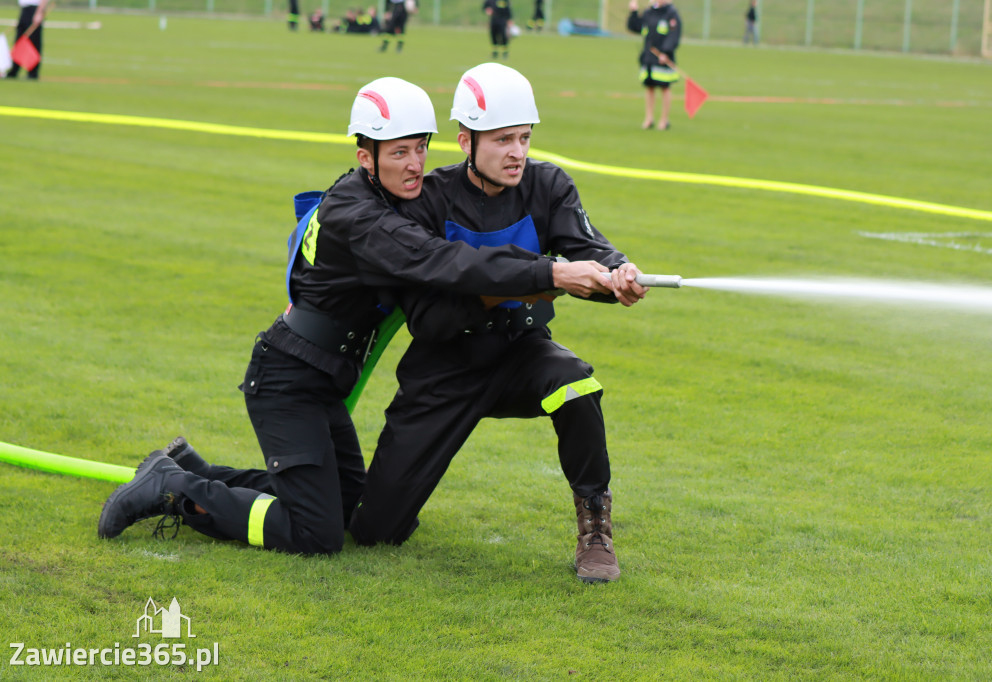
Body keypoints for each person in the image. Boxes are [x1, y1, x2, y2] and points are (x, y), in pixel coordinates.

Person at [96, 77, 613, 556]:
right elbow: (440, 260)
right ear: (367, 157)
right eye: (398, 153)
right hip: (287, 379)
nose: (415, 165)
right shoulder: (357, 212)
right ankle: (172, 489)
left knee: (346, 509)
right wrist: (551, 274)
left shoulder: (393, 202)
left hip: (325, 381)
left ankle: (191, 468)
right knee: (315, 534)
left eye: (420, 149)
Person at [348, 63, 648, 584]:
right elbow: (430, 319)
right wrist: (544, 278)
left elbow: (588, 249)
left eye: (525, 137)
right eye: (503, 139)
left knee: (577, 385)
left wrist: (618, 271)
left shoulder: (549, 186)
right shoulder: (425, 201)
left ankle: (595, 528)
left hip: (521, 353)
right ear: (466, 140)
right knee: (377, 531)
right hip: (443, 368)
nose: (517, 152)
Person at [627, 0, 682, 131]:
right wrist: (633, 12)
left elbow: (674, 35)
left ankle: (664, 120)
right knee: (649, 87)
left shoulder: (671, 13)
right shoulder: (649, 12)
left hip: (663, 58)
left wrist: (666, 52)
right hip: (648, 57)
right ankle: (649, 118)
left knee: (664, 87)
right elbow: (635, 27)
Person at [7, 0, 50, 80]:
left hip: (34, 10)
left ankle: (33, 72)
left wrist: (39, 13)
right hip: (25, 10)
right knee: (19, 40)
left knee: (34, 41)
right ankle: (14, 70)